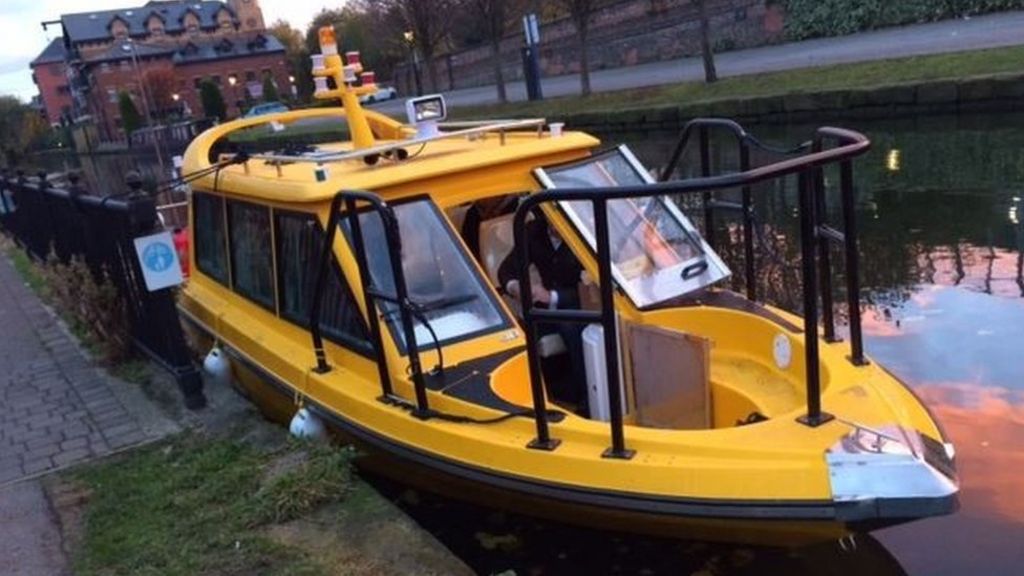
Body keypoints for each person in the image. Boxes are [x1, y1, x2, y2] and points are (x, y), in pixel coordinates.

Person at [497, 213, 587, 411]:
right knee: (518, 328)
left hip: (581, 304)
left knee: (571, 325)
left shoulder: (585, 232)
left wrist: (553, 296)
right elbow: (506, 269)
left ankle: (586, 398)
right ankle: (538, 395)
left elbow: (592, 285)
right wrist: (516, 287)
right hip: (545, 308)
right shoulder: (533, 230)